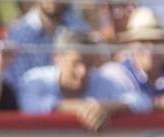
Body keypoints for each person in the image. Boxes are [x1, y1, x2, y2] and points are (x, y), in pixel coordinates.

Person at [18, 28, 146, 131]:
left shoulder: (101, 80)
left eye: (88, 63)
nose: (83, 71)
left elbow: (141, 101)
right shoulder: (36, 79)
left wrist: (107, 107)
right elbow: (31, 105)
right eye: (76, 63)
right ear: (57, 58)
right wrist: (83, 108)